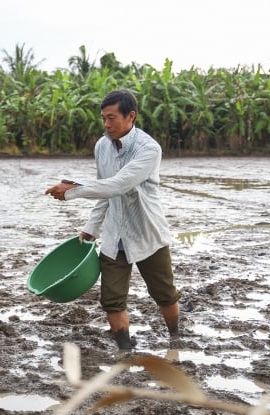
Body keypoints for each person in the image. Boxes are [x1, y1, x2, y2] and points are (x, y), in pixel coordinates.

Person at [45, 89, 181, 350]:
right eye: (103, 118)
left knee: (164, 294)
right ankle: (125, 351)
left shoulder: (149, 149)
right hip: (114, 237)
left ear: (131, 116)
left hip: (147, 234)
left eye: (111, 118)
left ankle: (175, 338)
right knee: (112, 300)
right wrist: (91, 228)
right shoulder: (102, 146)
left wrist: (72, 190)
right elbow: (104, 190)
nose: (106, 125)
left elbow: (120, 185)